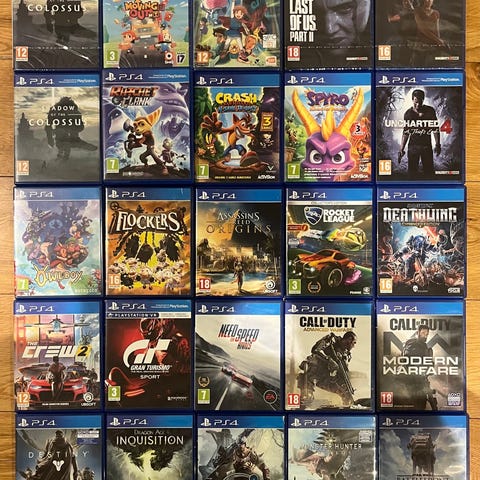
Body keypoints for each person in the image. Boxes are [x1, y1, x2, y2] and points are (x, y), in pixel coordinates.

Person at [297, 331, 357, 407]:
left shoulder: (347, 355)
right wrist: (329, 360)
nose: (354, 346)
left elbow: (342, 374)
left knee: (347, 397)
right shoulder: (332, 340)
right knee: (306, 398)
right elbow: (315, 350)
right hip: (315, 372)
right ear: (349, 339)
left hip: (327, 378)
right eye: (354, 342)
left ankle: (347, 409)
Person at [398, 89, 441, 178]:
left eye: (420, 102)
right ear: (412, 100)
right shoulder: (408, 114)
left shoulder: (430, 111)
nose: (418, 104)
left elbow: (435, 129)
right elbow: (406, 132)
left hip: (426, 146)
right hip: (413, 147)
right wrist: (401, 149)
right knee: (412, 173)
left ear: (423, 100)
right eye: (416, 102)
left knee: (429, 173)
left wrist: (438, 145)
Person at [402, 324, 438, 410]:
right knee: (416, 405)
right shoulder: (412, 343)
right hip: (413, 381)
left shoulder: (424, 345)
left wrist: (429, 364)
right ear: (418, 332)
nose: (425, 336)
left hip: (422, 379)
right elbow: (407, 360)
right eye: (423, 333)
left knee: (422, 404)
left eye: (427, 334)